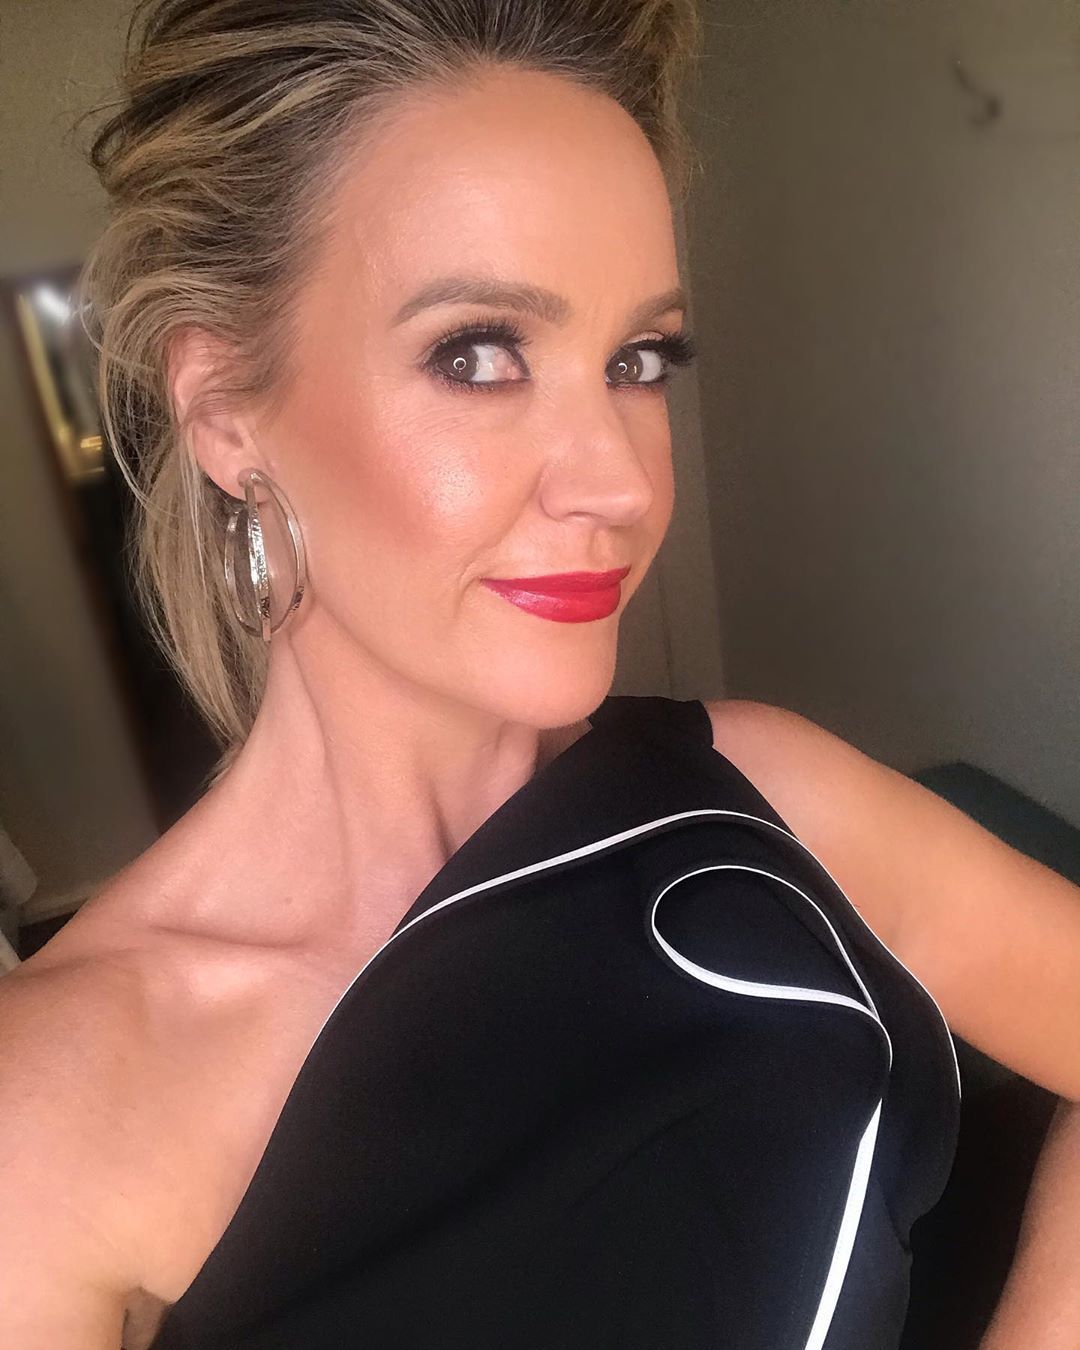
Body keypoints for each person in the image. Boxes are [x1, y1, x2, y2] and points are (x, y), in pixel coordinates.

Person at [1, 2, 1077, 1348]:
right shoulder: (52, 1112)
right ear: (225, 411)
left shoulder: (773, 800)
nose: (620, 481)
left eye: (638, 360)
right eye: (478, 355)